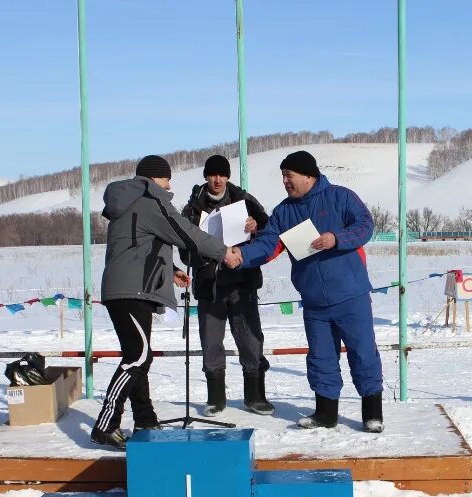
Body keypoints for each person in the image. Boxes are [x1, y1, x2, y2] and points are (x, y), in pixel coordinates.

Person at [229, 150, 384, 432]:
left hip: (352, 295)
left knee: (363, 353)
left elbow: (365, 225)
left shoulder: (341, 196)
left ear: (309, 175)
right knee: (321, 357)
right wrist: (241, 255)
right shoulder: (283, 212)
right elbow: (268, 245)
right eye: (283, 177)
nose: (285, 181)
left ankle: (372, 412)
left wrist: (337, 238)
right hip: (314, 301)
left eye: (289, 175)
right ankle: (325, 414)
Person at [91, 155, 238, 450]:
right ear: (156, 178)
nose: (170, 185)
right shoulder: (150, 200)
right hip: (132, 291)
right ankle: (106, 423)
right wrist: (223, 252)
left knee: (139, 356)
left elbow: (137, 246)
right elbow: (186, 232)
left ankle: (145, 419)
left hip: (127, 288)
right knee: (138, 357)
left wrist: (169, 271)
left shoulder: (128, 202)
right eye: (168, 179)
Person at [179, 155, 274, 417]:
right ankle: (215, 398)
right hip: (210, 286)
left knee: (250, 340)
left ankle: (255, 397)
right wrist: (208, 254)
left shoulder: (246, 201)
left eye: (222, 175)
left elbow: (268, 233)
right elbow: (184, 253)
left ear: (229, 176)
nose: (218, 180)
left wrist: (255, 228)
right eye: (213, 175)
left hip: (243, 283)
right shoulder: (193, 208)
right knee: (211, 342)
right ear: (206, 177)